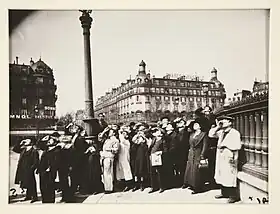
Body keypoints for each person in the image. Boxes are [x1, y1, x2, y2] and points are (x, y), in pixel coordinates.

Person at [208, 115, 242, 203]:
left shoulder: (235, 133)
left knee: (230, 174)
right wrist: (217, 127)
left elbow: (237, 146)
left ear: (230, 123)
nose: (222, 122)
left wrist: (235, 159)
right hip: (221, 155)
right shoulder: (221, 132)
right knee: (221, 173)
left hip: (229, 154)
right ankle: (224, 193)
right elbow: (211, 134)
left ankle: (233, 196)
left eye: (225, 121)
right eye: (221, 121)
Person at [183, 119, 209, 194]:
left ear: (200, 126)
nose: (195, 126)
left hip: (198, 153)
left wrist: (202, 155)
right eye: (194, 125)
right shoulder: (192, 134)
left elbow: (205, 145)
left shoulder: (204, 134)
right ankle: (191, 184)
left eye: (196, 125)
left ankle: (198, 187)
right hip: (191, 153)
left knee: (197, 170)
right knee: (190, 169)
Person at [13, 139, 39, 203]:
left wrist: (32, 169)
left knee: (32, 183)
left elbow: (36, 162)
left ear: (31, 143)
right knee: (26, 182)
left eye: (27, 141)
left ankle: (34, 197)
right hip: (22, 169)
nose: (25, 142)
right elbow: (15, 149)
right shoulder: (23, 149)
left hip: (29, 169)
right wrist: (20, 142)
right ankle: (28, 196)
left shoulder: (34, 151)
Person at [37, 138, 59, 203]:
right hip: (43, 172)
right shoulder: (46, 150)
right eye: (48, 141)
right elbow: (39, 145)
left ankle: (50, 201)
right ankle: (44, 201)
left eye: (50, 140)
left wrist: (51, 168)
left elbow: (57, 162)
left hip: (50, 172)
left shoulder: (56, 151)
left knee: (50, 187)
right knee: (43, 187)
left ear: (55, 143)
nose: (48, 141)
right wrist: (43, 139)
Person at [148, 127, 169, 193]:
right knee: (152, 172)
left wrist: (161, 152)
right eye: (155, 132)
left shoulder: (163, 140)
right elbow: (151, 147)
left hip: (159, 157)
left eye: (157, 131)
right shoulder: (154, 139)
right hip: (152, 157)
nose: (155, 133)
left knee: (160, 172)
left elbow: (166, 150)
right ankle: (153, 187)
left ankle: (162, 187)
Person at [100, 128, 120, 194]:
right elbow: (100, 138)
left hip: (109, 157)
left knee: (108, 173)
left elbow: (116, 150)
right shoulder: (107, 140)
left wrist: (108, 149)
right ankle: (107, 187)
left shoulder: (115, 140)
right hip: (105, 157)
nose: (109, 133)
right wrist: (104, 131)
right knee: (106, 173)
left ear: (114, 133)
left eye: (110, 132)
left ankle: (109, 188)